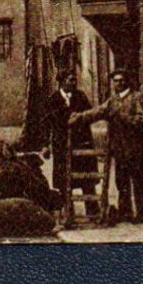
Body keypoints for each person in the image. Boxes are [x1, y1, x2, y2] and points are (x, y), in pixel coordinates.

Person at [71, 70, 143, 223]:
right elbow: (97, 112)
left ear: (127, 81)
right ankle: (125, 212)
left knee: (138, 181)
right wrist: (79, 117)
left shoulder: (136, 97)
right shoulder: (112, 100)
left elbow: (141, 120)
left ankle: (142, 212)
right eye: (116, 81)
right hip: (119, 148)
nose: (119, 83)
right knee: (121, 182)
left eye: (121, 80)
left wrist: (122, 116)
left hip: (135, 148)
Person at [47, 71, 94, 217]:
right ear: (62, 82)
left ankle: (92, 210)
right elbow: (48, 124)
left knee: (87, 178)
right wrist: (45, 145)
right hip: (62, 145)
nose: (74, 83)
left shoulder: (81, 96)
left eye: (75, 80)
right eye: (71, 80)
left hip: (81, 143)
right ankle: (68, 210)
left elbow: (89, 115)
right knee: (64, 180)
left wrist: (79, 118)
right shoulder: (53, 99)